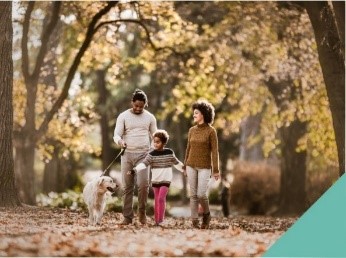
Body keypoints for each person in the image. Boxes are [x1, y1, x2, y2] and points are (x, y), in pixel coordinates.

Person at [113, 89, 157, 225]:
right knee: (127, 186)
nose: (138, 109)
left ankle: (142, 212)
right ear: (132, 102)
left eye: (141, 106)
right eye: (136, 105)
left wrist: (153, 149)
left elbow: (155, 136)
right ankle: (127, 216)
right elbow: (116, 135)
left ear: (145, 104)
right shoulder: (123, 116)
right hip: (127, 155)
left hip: (144, 155)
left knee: (143, 185)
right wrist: (120, 142)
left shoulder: (150, 117)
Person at [127, 129, 184, 226]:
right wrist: (134, 170)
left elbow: (177, 163)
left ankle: (161, 220)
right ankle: (157, 221)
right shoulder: (151, 154)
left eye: (158, 142)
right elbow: (144, 164)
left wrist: (184, 169)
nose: (155, 144)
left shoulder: (169, 152)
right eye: (154, 142)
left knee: (161, 198)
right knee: (157, 199)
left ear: (163, 142)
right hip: (155, 181)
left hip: (166, 180)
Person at [183, 99, 220, 229]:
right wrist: (184, 165)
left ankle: (206, 214)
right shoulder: (192, 130)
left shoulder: (211, 131)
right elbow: (188, 148)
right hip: (191, 165)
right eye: (194, 113)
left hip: (205, 166)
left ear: (203, 114)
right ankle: (194, 221)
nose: (194, 115)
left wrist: (216, 170)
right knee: (193, 195)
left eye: (196, 113)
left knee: (201, 194)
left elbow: (215, 152)